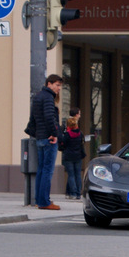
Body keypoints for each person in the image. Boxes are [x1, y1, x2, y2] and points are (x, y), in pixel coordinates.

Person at [31, 74, 63, 210]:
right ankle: (45, 201)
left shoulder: (38, 96)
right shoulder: (48, 97)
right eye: (57, 85)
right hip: (48, 138)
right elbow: (50, 117)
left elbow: (33, 118)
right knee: (47, 170)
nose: (59, 88)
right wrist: (54, 134)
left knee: (41, 169)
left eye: (60, 86)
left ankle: (39, 199)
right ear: (49, 84)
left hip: (40, 137)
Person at [63, 108, 84, 199]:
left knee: (71, 175)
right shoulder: (80, 133)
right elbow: (82, 143)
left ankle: (73, 193)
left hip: (68, 156)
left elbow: (64, 144)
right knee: (78, 174)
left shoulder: (67, 134)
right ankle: (78, 193)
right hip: (78, 156)